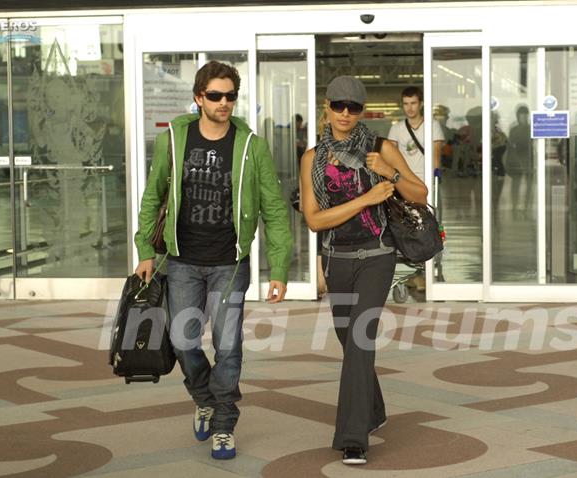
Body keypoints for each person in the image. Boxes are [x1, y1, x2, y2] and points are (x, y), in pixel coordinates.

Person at [133, 61, 292, 460]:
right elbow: (154, 196)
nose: (225, 103)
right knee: (181, 340)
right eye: (216, 96)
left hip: (229, 264)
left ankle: (223, 423)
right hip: (182, 260)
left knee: (228, 347)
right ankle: (204, 396)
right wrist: (146, 252)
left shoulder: (251, 144)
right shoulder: (175, 137)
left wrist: (279, 267)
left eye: (231, 96)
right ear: (199, 98)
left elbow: (273, 208)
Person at [299, 76, 427, 465]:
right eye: (338, 105)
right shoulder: (312, 158)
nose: (345, 114)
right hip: (336, 259)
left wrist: (390, 176)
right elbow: (315, 220)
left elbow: (420, 194)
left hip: (377, 256)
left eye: (353, 108)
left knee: (359, 340)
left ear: (362, 111)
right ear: (327, 106)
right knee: (348, 340)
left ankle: (353, 437)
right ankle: (374, 410)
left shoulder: (381, 148)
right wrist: (367, 198)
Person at [387, 86, 445, 182]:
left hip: (427, 178)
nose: (409, 108)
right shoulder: (396, 129)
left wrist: (436, 174)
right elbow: (390, 156)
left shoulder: (433, 125)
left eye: (413, 103)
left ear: (421, 104)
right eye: (406, 104)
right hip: (405, 180)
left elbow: (436, 153)